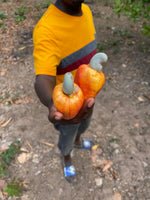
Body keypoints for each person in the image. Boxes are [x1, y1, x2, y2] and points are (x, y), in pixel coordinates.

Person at [33, 0, 97, 183]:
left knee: (84, 124)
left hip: (88, 97)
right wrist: (53, 104)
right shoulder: (47, 29)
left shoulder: (87, 11)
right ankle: (66, 156)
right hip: (68, 108)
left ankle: (78, 141)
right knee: (67, 134)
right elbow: (43, 78)